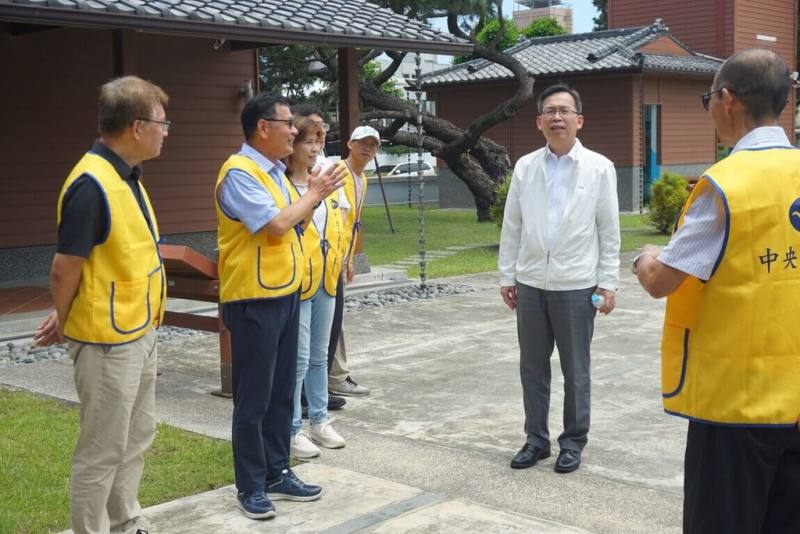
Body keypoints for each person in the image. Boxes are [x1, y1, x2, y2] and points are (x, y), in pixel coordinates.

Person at [634, 48, 800, 533]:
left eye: (709, 96)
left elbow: (663, 280)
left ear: (727, 100)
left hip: (735, 404)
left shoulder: (725, 186)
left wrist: (643, 256)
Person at [33, 76, 170, 534]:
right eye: (161, 121)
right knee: (101, 449)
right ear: (136, 126)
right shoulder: (92, 184)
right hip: (108, 342)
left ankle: (125, 520)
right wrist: (68, 316)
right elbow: (63, 268)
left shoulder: (125, 175)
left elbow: (101, 262)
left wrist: (66, 307)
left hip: (138, 331)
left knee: (135, 437)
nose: (166, 130)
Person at [215, 92, 342, 520]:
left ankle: (276, 471)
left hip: (287, 293)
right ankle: (250, 485)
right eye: (288, 123)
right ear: (262, 127)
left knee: (282, 393)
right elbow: (276, 226)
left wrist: (315, 195)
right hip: (252, 299)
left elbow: (298, 221)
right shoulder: (239, 172)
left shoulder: (276, 173)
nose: (295, 130)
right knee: (253, 399)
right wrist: (315, 191)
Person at [498, 82, 620, 473]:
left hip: (577, 284)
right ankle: (536, 439)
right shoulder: (525, 166)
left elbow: (609, 230)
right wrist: (507, 275)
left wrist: (608, 282)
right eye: (549, 111)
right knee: (532, 367)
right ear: (538, 121)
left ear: (579, 120)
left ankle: (573, 441)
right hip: (531, 283)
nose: (557, 117)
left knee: (576, 370)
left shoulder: (600, 167)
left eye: (564, 111)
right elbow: (511, 225)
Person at [283, 115, 346, 460]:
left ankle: (320, 419)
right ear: (291, 146)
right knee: (299, 358)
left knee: (320, 355)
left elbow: (340, 224)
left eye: (319, 141)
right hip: (297, 279)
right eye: (309, 141)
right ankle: (293, 428)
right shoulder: (283, 185)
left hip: (326, 276)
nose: (316, 148)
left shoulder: (327, 183)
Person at [326, 125, 381, 398]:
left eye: (372, 145)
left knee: (335, 319)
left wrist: (353, 262)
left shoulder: (363, 178)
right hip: (326, 257)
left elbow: (354, 224)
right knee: (332, 320)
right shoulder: (337, 171)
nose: (367, 149)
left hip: (341, 258)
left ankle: (332, 375)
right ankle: (336, 376)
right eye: (362, 143)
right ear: (349, 143)